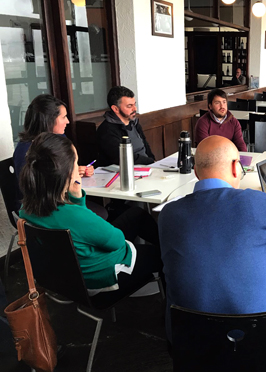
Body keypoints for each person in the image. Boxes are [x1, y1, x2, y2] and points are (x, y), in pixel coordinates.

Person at [158, 135, 266, 341]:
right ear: (236, 167)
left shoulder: (168, 214)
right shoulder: (260, 203)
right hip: (258, 343)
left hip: (189, 342)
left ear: (195, 172)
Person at [19, 133, 163, 295]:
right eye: (75, 163)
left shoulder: (26, 209)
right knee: (166, 255)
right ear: (67, 173)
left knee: (136, 214)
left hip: (70, 275)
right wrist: (79, 202)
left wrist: (76, 198)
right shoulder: (75, 216)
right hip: (102, 278)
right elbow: (117, 241)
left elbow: (81, 230)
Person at [13, 94, 94, 179]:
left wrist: (79, 171)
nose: (68, 121)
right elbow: (33, 186)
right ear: (49, 120)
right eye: (64, 117)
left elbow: (66, 168)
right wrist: (70, 176)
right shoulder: (26, 150)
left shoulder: (60, 138)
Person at [96, 86, 155, 166]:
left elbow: (145, 146)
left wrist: (154, 162)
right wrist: (150, 162)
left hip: (147, 167)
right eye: (129, 106)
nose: (135, 109)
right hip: (125, 172)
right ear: (115, 109)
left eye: (134, 104)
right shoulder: (106, 130)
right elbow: (122, 158)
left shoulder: (134, 122)